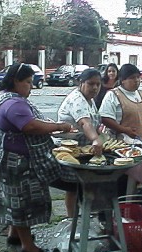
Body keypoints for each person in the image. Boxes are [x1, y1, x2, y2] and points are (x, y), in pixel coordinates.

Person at [0, 63, 73, 252]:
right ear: (15, 81)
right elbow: (30, 126)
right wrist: (59, 126)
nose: (30, 87)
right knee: (20, 204)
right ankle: (28, 246)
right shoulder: (14, 104)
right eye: (27, 82)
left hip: (9, 160)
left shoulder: (9, 99)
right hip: (15, 164)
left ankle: (14, 234)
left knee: (12, 201)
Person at [57, 68, 104, 217]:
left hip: (83, 148)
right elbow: (85, 123)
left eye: (98, 84)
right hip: (69, 149)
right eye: (91, 84)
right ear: (80, 83)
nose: (95, 88)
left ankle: (83, 214)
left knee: (83, 185)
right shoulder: (77, 99)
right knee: (73, 187)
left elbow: (94, 123)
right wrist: (96, 139)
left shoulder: (89, 100)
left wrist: (101, 134)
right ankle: (72, 220)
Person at [99, 63, 142, 141]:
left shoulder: (141, 94)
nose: (136, 80)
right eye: (132, 78)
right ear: (123, 80)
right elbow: (105, 118)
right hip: (122, 145)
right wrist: (124, 130)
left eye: (138, 77)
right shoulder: (113, 95)